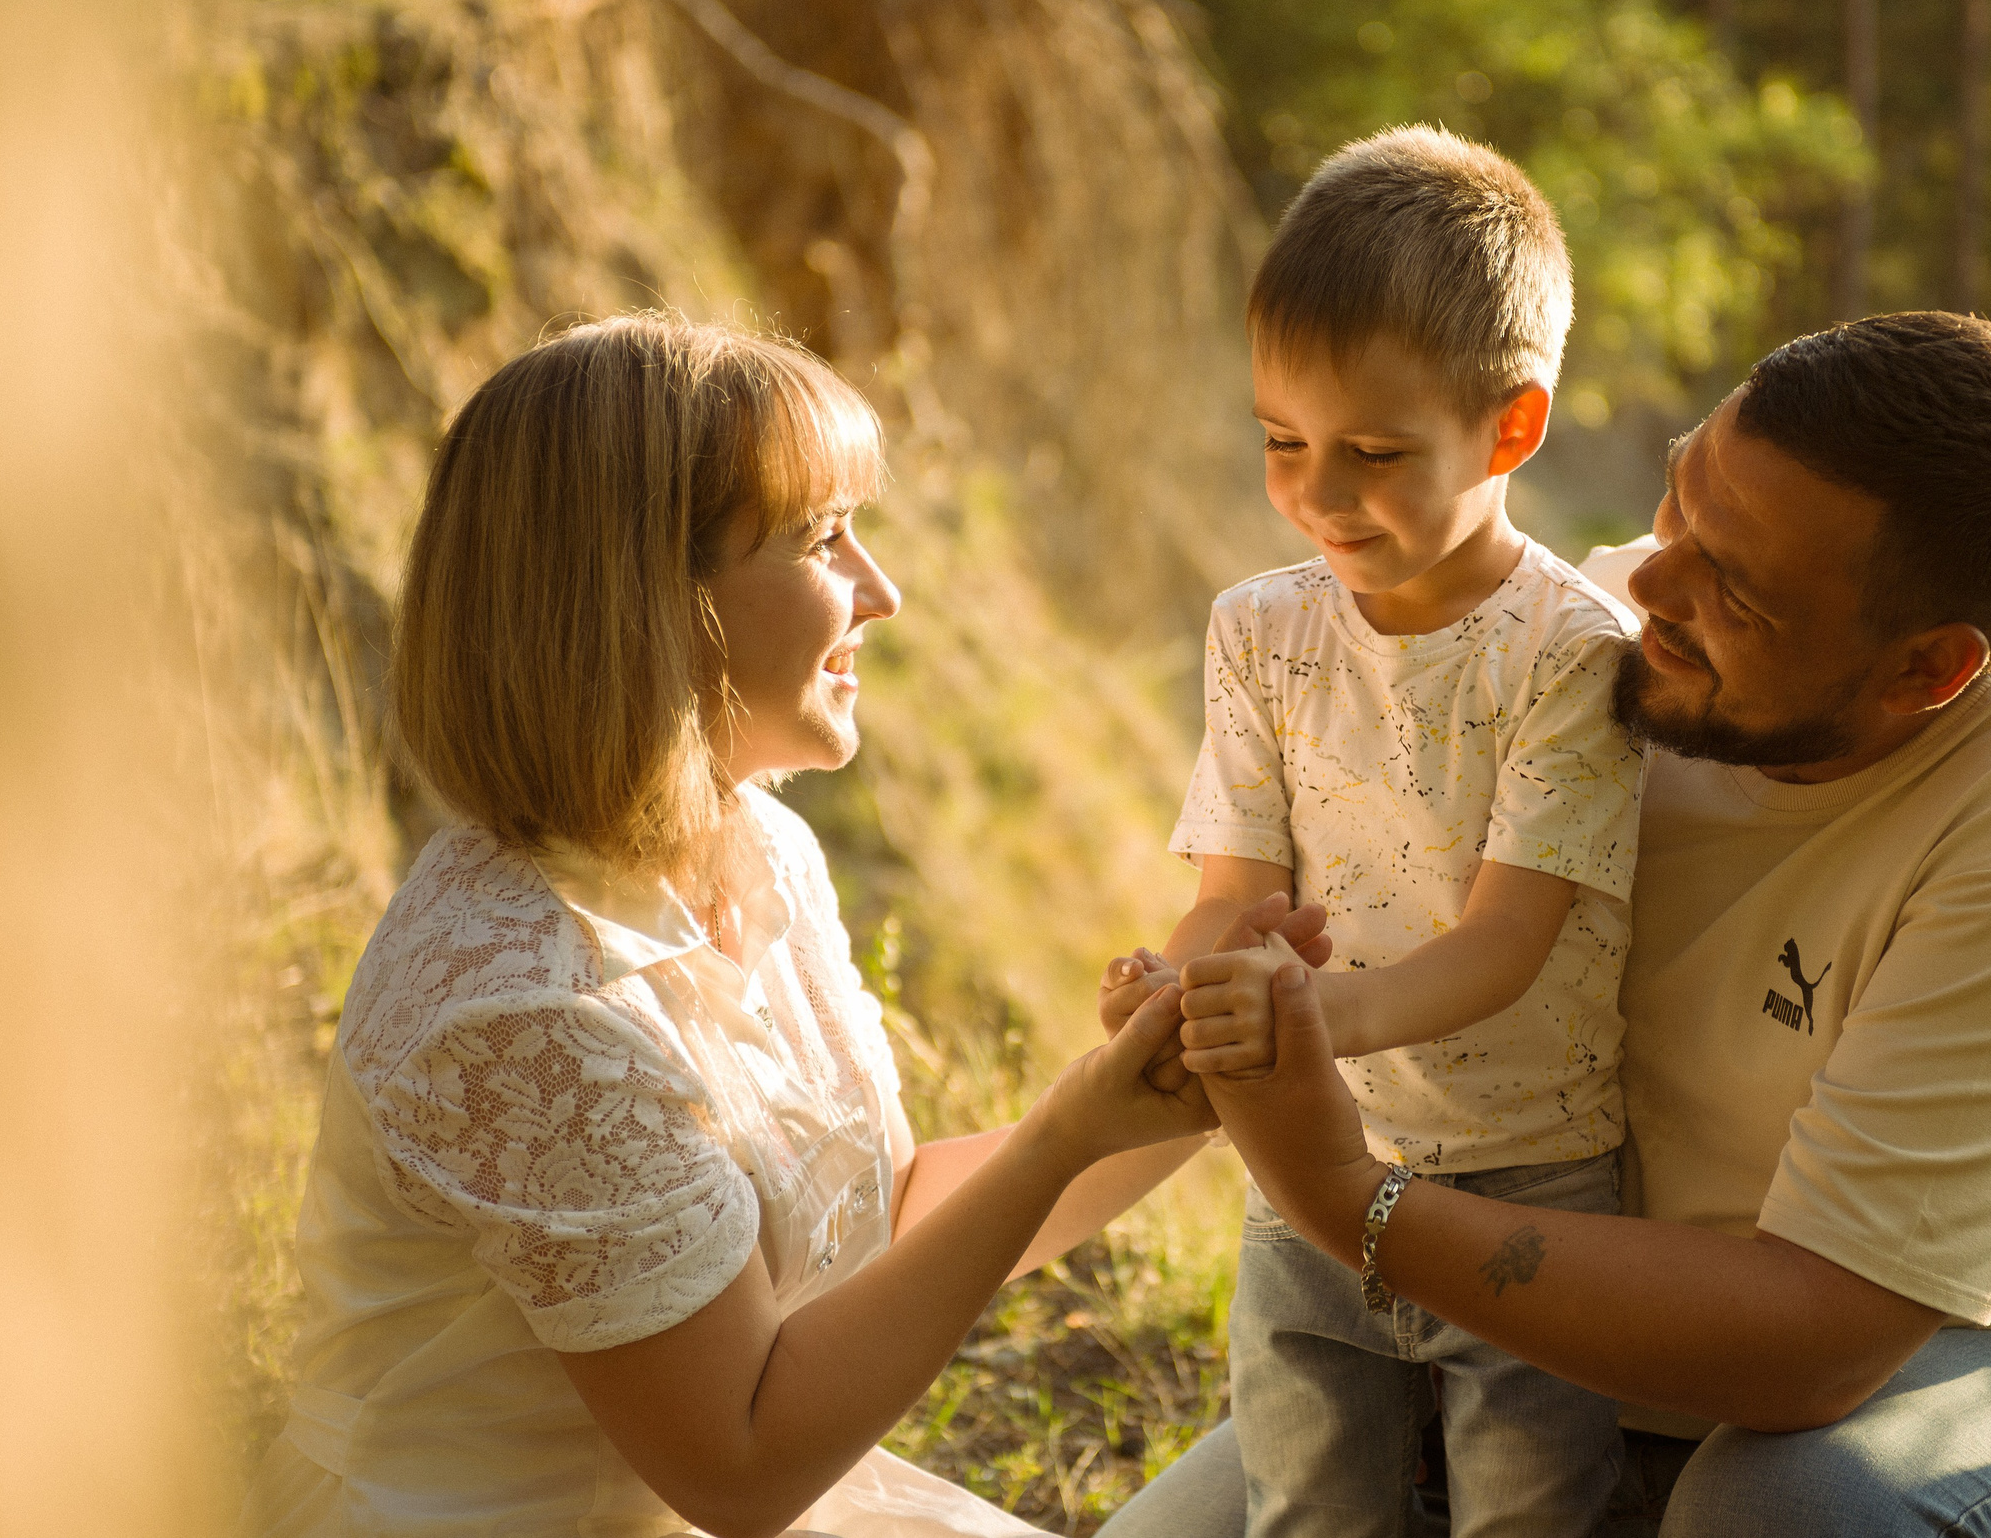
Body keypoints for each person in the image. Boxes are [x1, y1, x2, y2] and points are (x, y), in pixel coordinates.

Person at [1105, 312, 1991, 1538]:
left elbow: (1810, 1343)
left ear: (1925, 669)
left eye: (1738, 589)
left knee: (1787, 1513)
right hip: (1559, 1341)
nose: (1646, 582)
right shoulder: (1583, 647)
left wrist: (1349, 1200)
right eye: (1677, 498)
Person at [244, 314, 1336, 1538]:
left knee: (1343, 1426)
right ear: (648, 599)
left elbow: (874, 1233)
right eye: (822, 540)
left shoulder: (756, 847)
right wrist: (1065, 1131)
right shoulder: (519, 1005)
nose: (883, 592)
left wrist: (1164, 1089)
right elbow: (742, 1465)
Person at [1101, 126, 1646, 1536]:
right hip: (1309, 1163)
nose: (1319, 494)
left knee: (1530, 1512)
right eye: (1283, 442)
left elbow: (1506, 945)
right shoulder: (1262, 631)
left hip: (1537, 1188)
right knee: (1308, 1508)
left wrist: (1300, 1020)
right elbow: (1236, 891)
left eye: (1375, 453)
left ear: (1511, 428)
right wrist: (1182, 990)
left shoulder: (1572, 656)